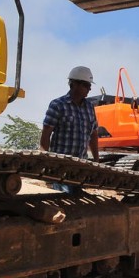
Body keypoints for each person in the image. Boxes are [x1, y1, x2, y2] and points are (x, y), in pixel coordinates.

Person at [40, 66, 99, 194]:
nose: (89, 89)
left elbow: (93, 135)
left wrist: (96, 160)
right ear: (74, 84)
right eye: (86, 85)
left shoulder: (89, 107)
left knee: (77, 200)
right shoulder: (58, 105)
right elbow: (46, 134)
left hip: (80, 167)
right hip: (61, 166)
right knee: (64, 197)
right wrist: (46, 159)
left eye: (89, 85)